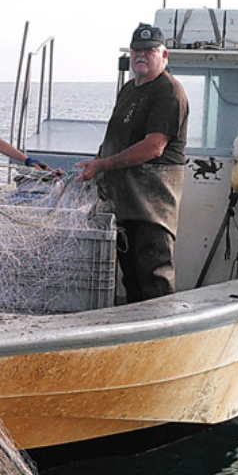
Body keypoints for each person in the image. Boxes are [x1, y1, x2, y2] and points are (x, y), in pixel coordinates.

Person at [76, 23, 189, 303]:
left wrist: (105, 164)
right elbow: (116, 138)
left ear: (164, 55)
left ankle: (163, 338)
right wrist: (98, 161)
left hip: (153, 209)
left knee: (155, 278)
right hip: (125, 204)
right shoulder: (129, 89)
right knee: (131, 279)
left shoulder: (169, 91)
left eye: (149, 50)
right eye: (137, 50)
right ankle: (139, 342)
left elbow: (154, 146)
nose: (141, 55)